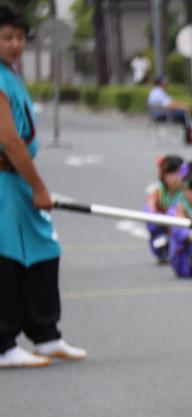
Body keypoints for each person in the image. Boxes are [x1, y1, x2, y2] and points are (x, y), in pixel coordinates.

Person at [0, 4, 86, 368]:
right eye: (7, 38)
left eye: (19, 37)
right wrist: (39, 187)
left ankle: (46, 334)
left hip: (16, 177)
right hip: (6, 179)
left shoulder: (10, 74)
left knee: (42, 249)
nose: (15, 44)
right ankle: (4, 344)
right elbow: (10, 142)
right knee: (5, 258)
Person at [144, 155, 189, 264]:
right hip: (165, 232)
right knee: (160, 240)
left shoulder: (189, 191)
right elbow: (151, 223)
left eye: (177, 173)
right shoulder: (157, 193)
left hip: (184, 232)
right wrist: (153, 208)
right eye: (170, 174)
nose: (174, 178)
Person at [147, 75, 192, 145]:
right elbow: (168, 105)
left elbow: (171, 102)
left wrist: (181, 105)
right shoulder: (158, 93)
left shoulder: (155, 92)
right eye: (166, 82)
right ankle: (189, 137)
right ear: (162, 83)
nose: (167, 84)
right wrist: (183, 107)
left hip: (156, 114)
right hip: (162, 115)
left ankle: (188, 135)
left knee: (183, 114)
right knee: (185, 114)